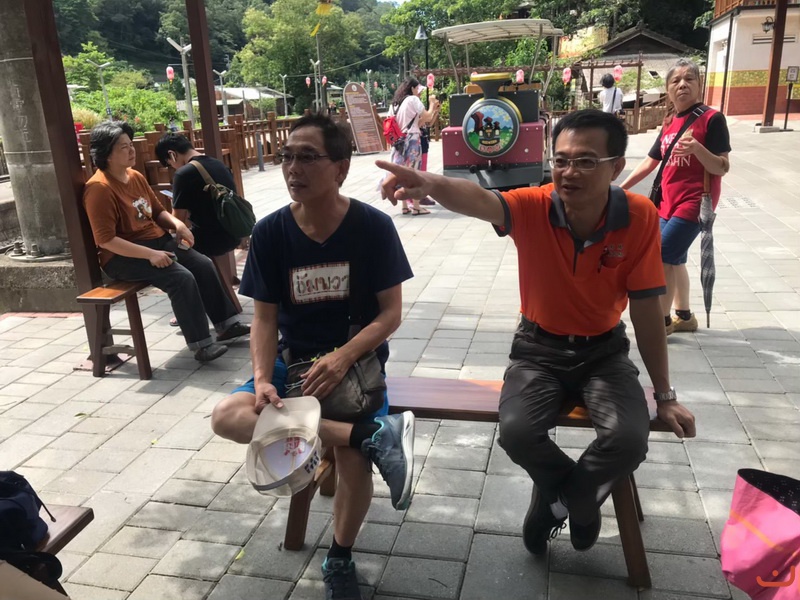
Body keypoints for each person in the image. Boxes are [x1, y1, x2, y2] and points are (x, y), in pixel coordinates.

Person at [378, 109, 696, 556]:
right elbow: (480, 200)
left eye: (586, 161)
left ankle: (561, 502)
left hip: (604, 353)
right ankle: (577, 500)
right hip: (537, 350)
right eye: (561, 160)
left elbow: (646, 310)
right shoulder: (535, 206)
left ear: (616, 168)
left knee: (628, 439)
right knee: (517, 433)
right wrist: (430, 183)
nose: (569, 172)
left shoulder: (639, 216)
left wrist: (664, 394)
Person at [211, 113, 415, 600]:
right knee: (227, 415)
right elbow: (264, 319)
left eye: (307, 157)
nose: (292, 168)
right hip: (293, 361)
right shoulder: (270, 233)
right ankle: (371, 435)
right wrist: (263, 377)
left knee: (353, 465)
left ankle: (339, 556)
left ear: (341, 168)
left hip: (356, 365)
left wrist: (343, 356)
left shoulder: (373, 227)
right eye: (286, 157)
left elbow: (390, 314)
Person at [83, 121, 250, 363]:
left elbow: (158, 212)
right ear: (106, 154)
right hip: (123, 256)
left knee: (202, 264)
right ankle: (201, 345)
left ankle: (226, 325)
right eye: (123, 147)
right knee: (181, 278)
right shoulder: (99, 189)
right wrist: (149, 255)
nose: (131, 150)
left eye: (131, 144)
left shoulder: (135, 176)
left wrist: (178, 226)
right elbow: (106, 240)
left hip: (157, 241)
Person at [621, 58, 730, 335]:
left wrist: (697, 149)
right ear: (668, 89)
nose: (682, 85)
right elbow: (651, 161)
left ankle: (662, 321)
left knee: (662, 255)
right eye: (675, 81)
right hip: (666, 202)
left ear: (699, 84)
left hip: (695, 202)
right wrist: (622, 187)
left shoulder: (712, 119)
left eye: (689, 79)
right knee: (676, 257)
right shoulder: (670, 121)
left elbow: (722, 167)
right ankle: (684, 316)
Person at [388, 77, 439, 216]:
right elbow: (427, 117)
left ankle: (404, 206)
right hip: (412, 140)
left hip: (398, 141)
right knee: (414, 173)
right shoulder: (413, 100)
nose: (418, 91)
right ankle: (416, 206)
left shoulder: (394, 104)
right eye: (417, 88)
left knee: (401, 173)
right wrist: (432, 105)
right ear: (412, 88)